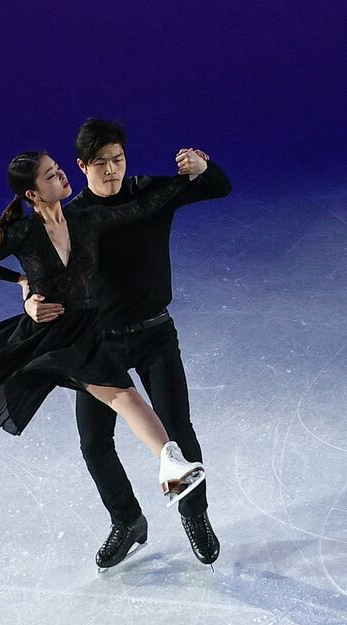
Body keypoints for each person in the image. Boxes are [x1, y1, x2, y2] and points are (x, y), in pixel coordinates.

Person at [0, 150, 205, 533]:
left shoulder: (88, 219)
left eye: (59, 169)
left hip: (82, 335)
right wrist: (22, 284)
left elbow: (144, 207)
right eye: (50, 175)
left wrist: (188, 178)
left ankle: (172, 466)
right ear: (33, 194)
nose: (61, 176)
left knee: (123, 396)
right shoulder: (23, 233)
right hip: (40, 338)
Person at [28, 118, 230, 569]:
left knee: (178, 433)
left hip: (156, 335)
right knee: (94, 444)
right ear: (81, 166)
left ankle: (194, 515)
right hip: (97, 346)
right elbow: (33, 269)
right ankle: (127, 521)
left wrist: (203, 166)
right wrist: (29, 302)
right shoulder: (71, 218)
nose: (112, 170)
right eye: (101, 163)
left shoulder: (148, 194)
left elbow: (219, 188)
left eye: (118, 160)